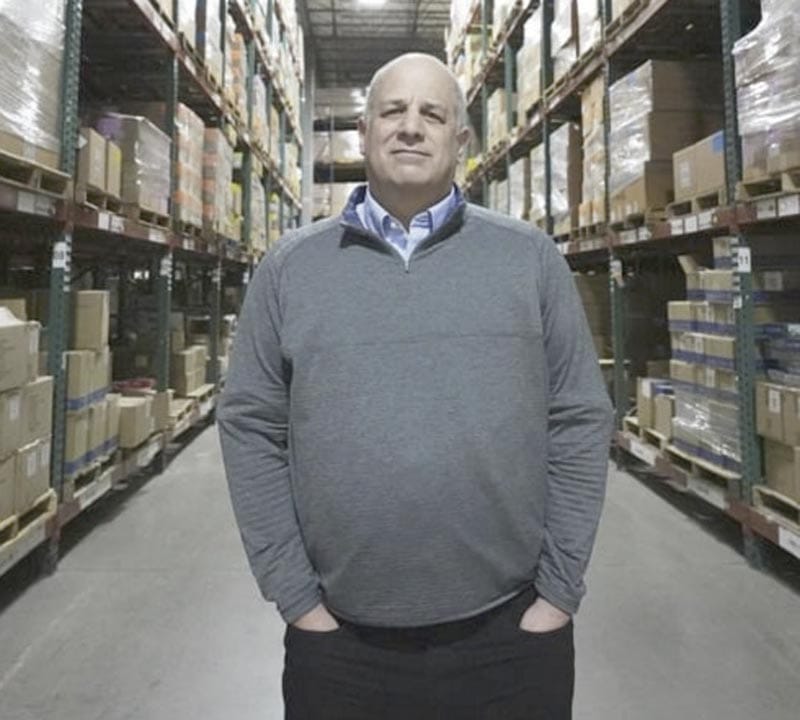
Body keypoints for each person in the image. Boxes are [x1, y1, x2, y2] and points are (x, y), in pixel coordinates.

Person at [218, 52, 614, 719]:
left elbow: (580, 416)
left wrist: (557, 593)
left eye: (432, 113)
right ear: (363, 132)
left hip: (510, 638)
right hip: (340, 646)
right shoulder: (290, 268)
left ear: (461, 140)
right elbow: (249, 425)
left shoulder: (530, 259)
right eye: (392, 111)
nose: (410, 127)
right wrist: (296, 598)